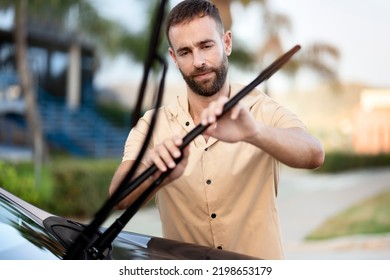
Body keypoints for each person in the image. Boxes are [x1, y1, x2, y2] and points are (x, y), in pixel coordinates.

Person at [109, 0, 324, 259]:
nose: (198, 61)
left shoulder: (261, 109)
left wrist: (254, 132)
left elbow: (314, 154)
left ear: (227, 43)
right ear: (173, 58)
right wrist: (158, 176)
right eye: (185, 52)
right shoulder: (153, 124)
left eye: (206, 46)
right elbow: (118, 196)